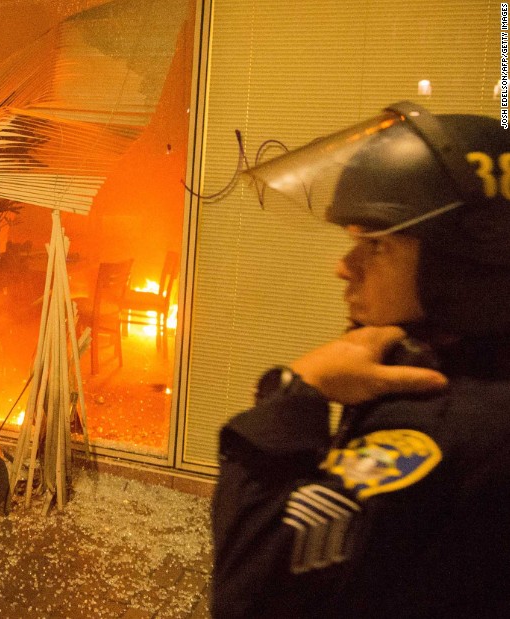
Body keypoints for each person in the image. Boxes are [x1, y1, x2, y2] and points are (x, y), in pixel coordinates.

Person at [211, 102, 510, 618]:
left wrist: (296, 391)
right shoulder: (477, 372)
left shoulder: (436, 422)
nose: (343, 268)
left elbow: (250, 587)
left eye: (375, 246)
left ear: (459, 265)